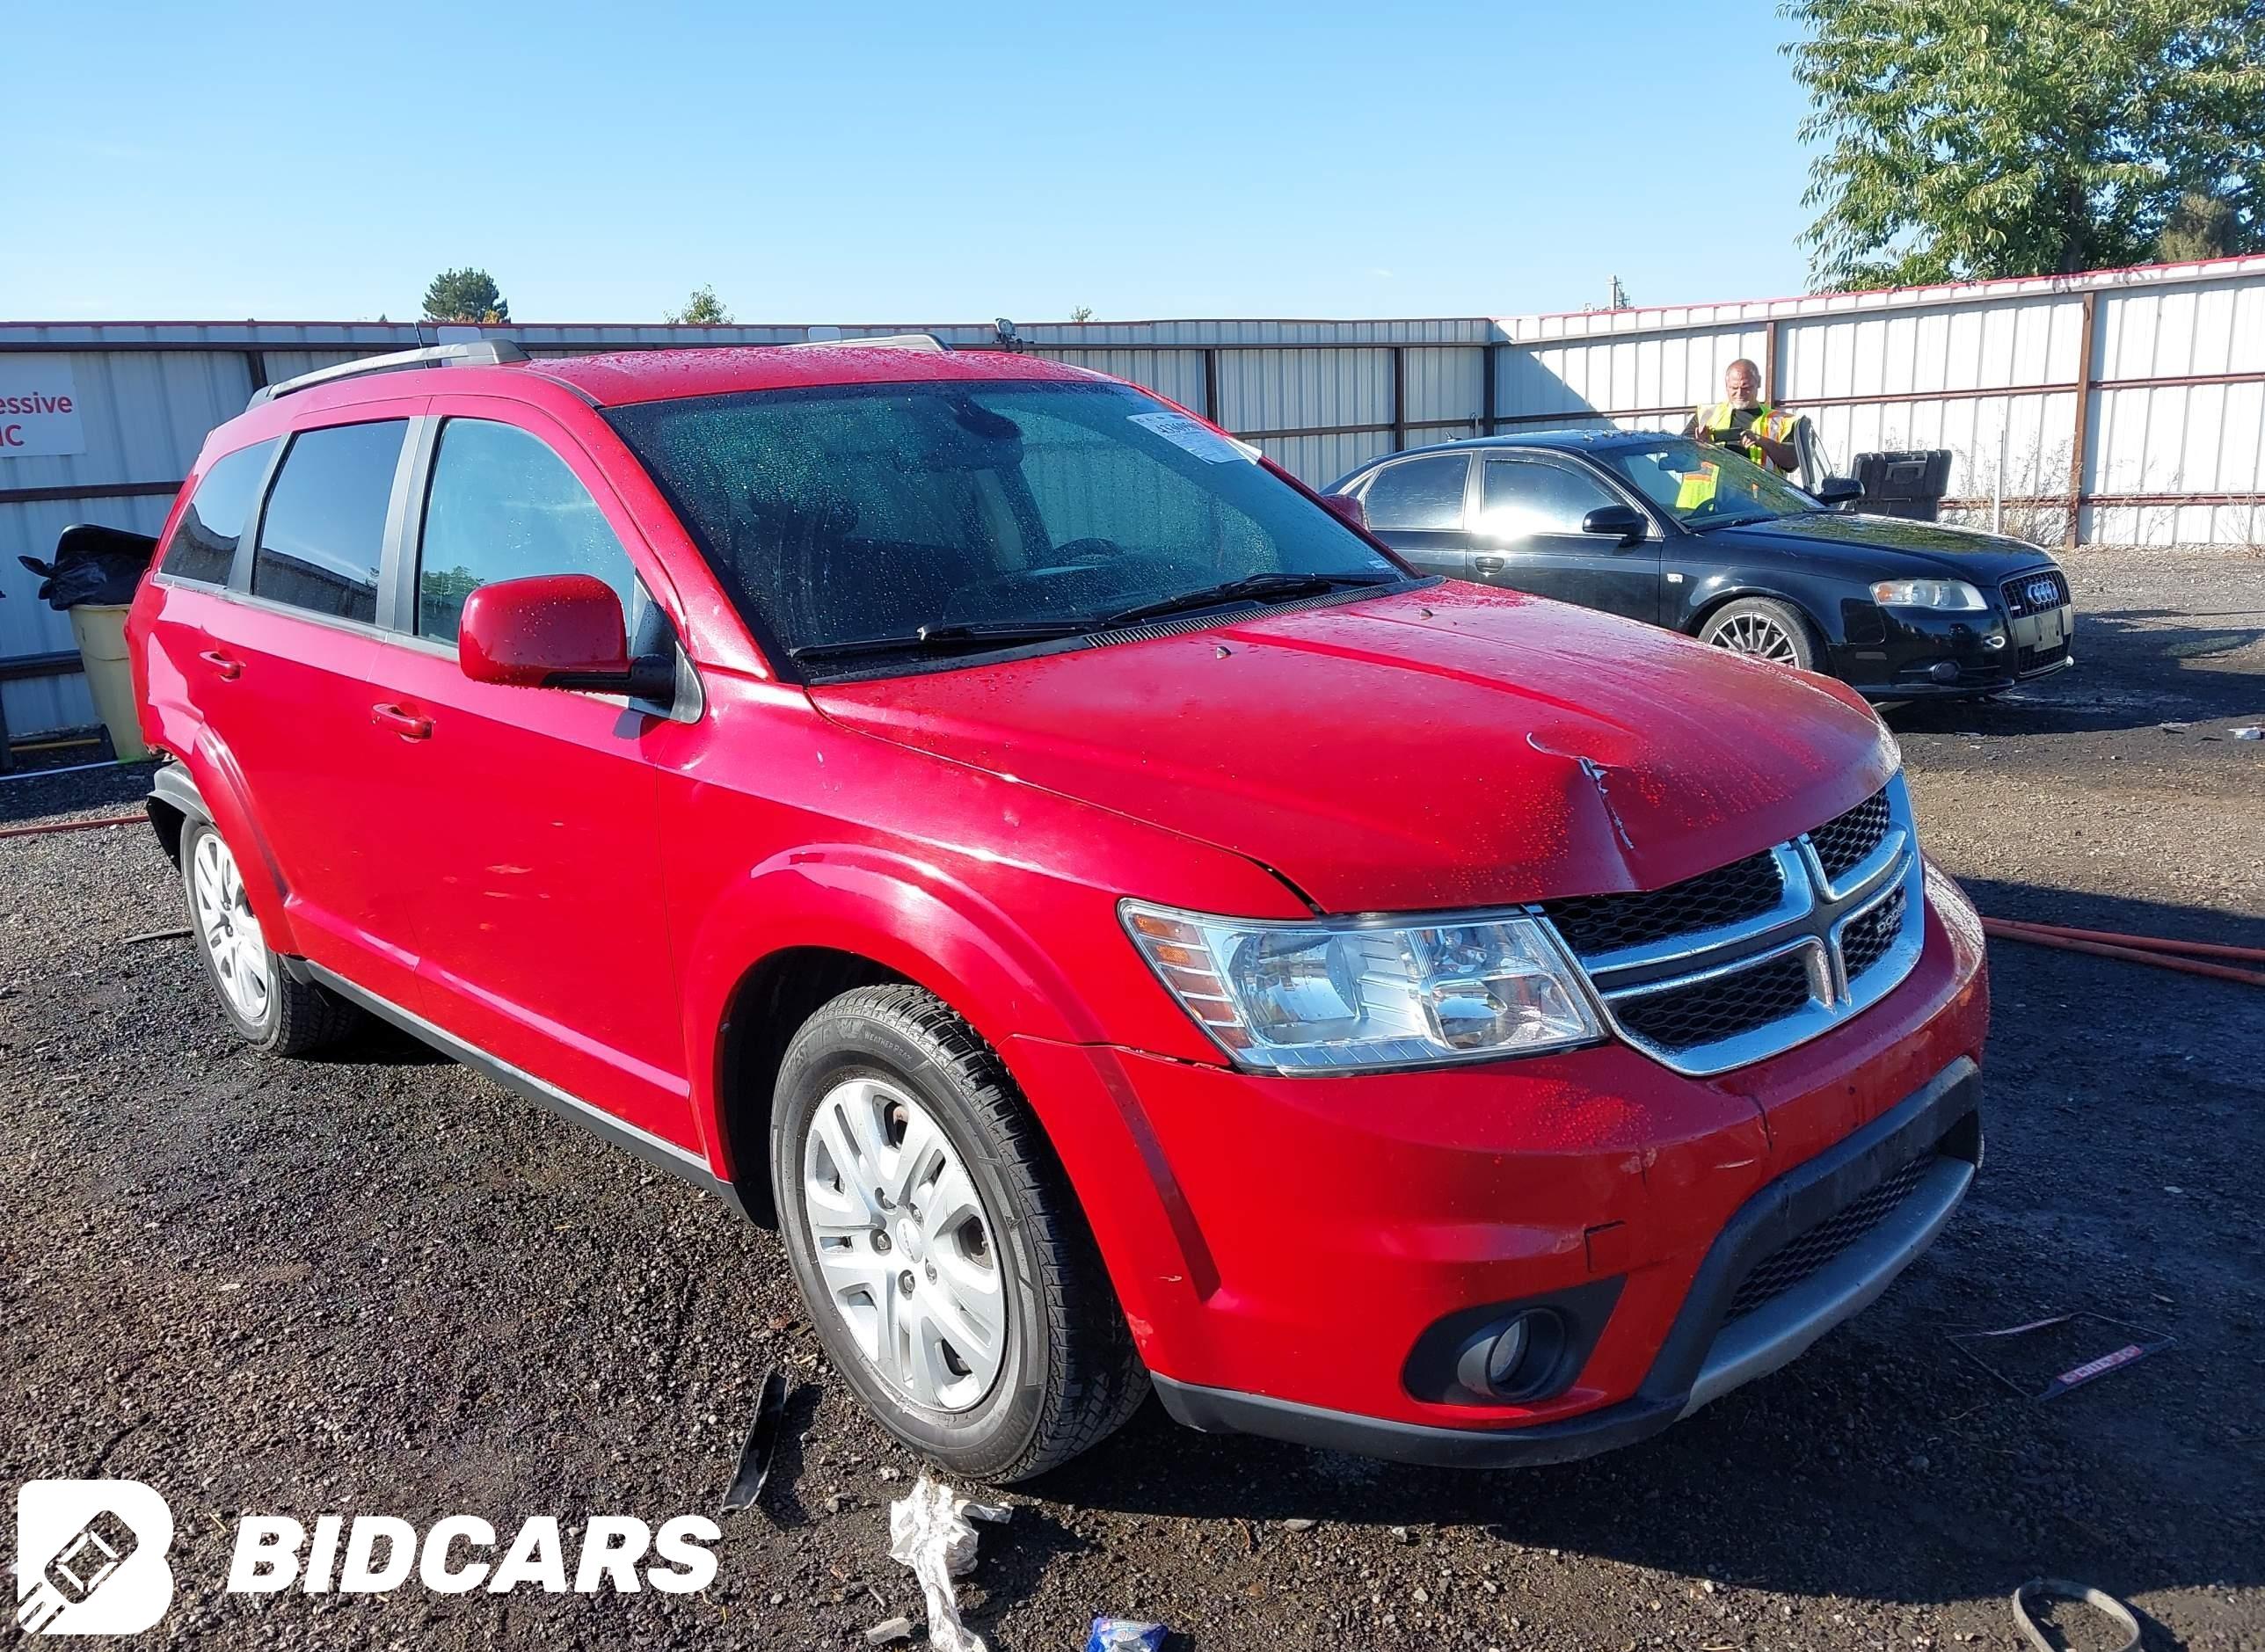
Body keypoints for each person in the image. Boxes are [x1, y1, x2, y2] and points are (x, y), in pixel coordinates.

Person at [1685, 360, 1799, 475]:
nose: (1740, 393)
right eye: (1734, 388)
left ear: (1758, 383)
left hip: (1759, 492)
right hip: (1708, 493)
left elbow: (1792, 462)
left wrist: (1760, 440)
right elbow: (1680, 455)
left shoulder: (1782, 421)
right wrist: (1701, 445)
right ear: (1726, 385)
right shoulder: (1706, 414)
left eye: (1746, 387)